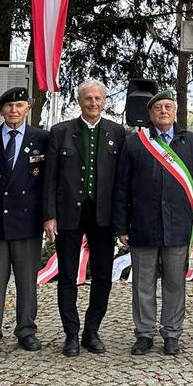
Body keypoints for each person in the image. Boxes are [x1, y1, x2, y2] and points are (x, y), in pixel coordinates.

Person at [112, 89, 193, 356]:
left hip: (178, 227)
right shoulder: (135, 143)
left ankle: (171, 333)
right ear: (150, 114)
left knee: (174, 283)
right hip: (142, 225)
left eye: (168, 107)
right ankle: (144, 333)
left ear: (175, 111)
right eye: (158, 108)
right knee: (143, 283)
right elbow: (121, 188)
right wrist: (120, 226)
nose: (164, 111)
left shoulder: (191, 142)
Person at [44, 79, 126, 356]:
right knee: (67, 275)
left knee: (102, 275)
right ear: (80, 101)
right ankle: (70, 334)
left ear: (105, 101)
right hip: (69, 213)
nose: (93, 103)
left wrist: (121, 219)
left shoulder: (117, 132)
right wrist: (49, 216)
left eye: (98, 99)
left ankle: (92, 331)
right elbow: (50, 179)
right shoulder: (60, 132)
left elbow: (121, 182)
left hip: (103, 216)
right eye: (88, 98)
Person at [0, 87, 49, 356]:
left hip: (27, 222)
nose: (14, 111)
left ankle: (26, 330)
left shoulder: (42, 139)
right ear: (1, 110)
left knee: (27, 281)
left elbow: (47, 181)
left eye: (19, 106)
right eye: (8, 107)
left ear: (27, 108)